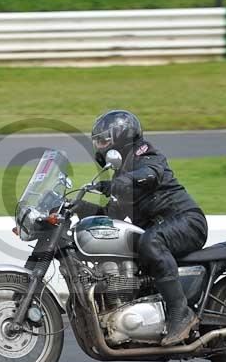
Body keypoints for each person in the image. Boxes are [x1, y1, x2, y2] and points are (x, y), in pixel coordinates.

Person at [75, 109, 208, 346]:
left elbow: (151, 174)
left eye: (104, 140)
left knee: (150, 241)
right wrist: (76, 207)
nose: (100, 147)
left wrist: (119, 183)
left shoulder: (144, 153)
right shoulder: (121, 174)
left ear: (122, 138)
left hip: (187, 221)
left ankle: (181, 312)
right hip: (163, 228)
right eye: (98, 141)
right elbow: (111, 217)